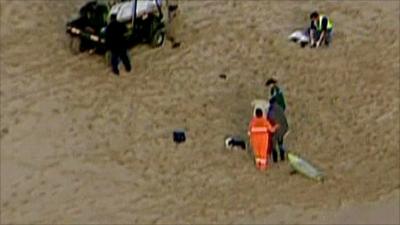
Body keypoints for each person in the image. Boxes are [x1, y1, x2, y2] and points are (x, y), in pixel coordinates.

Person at [267, 97, 289, 162]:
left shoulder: (271, 110)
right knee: (280, 143)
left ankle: (275, 159)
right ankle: (282, 157)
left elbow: (270, 120)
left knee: (274, 144)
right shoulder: (280, 108)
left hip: (275, 129)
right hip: (283, 128)